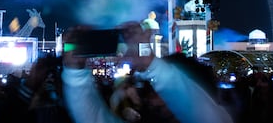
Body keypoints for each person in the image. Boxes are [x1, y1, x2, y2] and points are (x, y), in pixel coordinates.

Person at [61, 21, 233, 123]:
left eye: (158, 89)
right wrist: (74, 73)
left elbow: (209, 118)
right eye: (151, 88)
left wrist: (154, 67)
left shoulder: (210, 114)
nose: (154, 98)